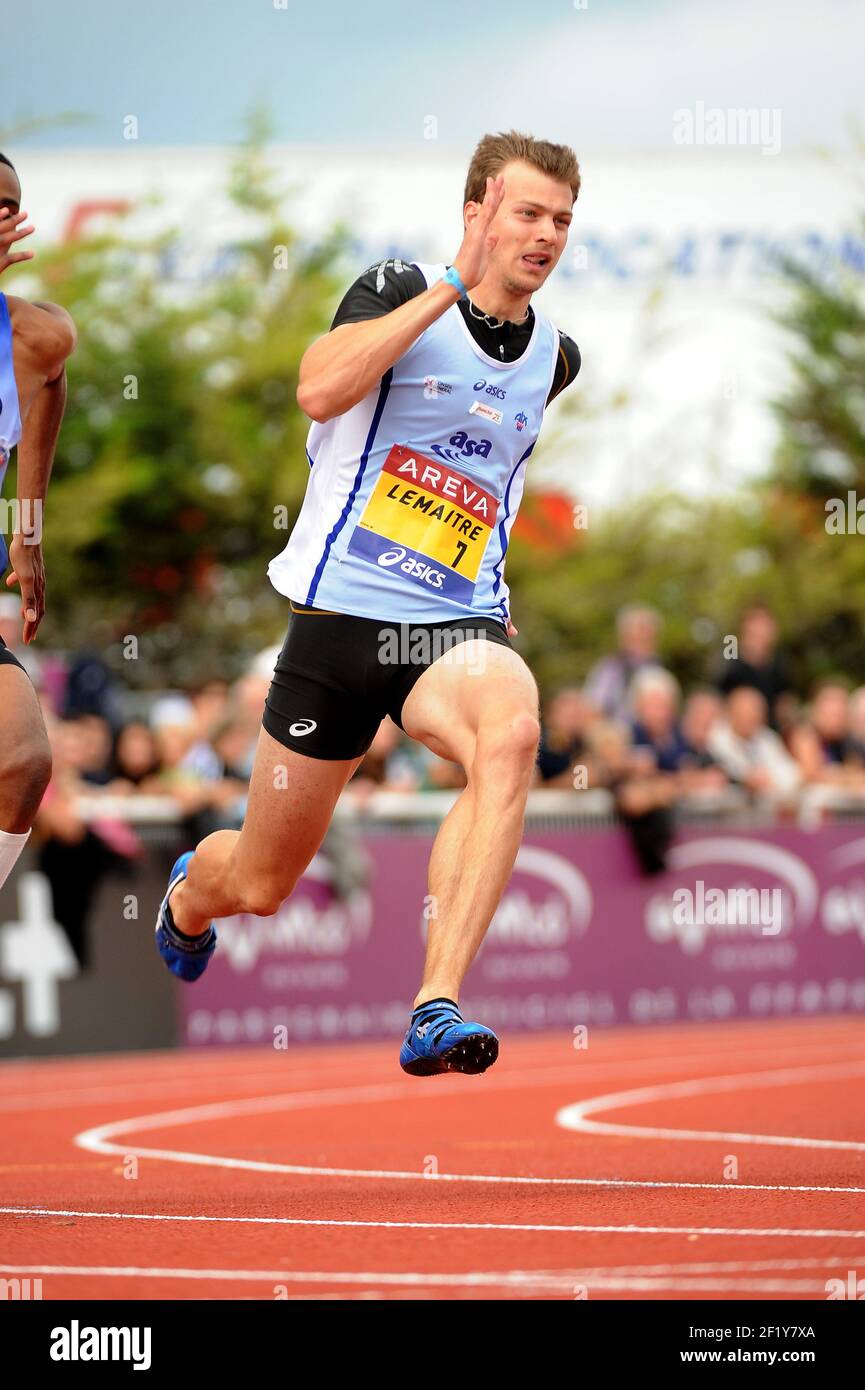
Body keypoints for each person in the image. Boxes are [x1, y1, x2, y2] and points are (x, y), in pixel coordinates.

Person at [156, 130, 582, 1077]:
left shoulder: (555, 356)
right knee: (262, 882)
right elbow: (318, 390)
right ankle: (191, 895)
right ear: (476, 211)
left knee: (507, 737)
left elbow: (490, 478)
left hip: (450, 626)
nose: (546, 233)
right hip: (336, 624)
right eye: (526, 212)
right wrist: (446, 285)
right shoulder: (396, 289)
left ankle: (437, 1003)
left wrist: (487, 578)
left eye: (561, 219)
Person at [0, 152, 76, 895]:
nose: (2, 215)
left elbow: (50, 390)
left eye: (10, 203)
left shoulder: (32, 337)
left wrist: (27, 531)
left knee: (23, 762)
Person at [584, 605, 664, 722]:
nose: (643, 639)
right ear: (623, 638)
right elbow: (593, 709)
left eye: (648, 636)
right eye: (638, 636)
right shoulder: (610, 669)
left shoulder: (658, 670)